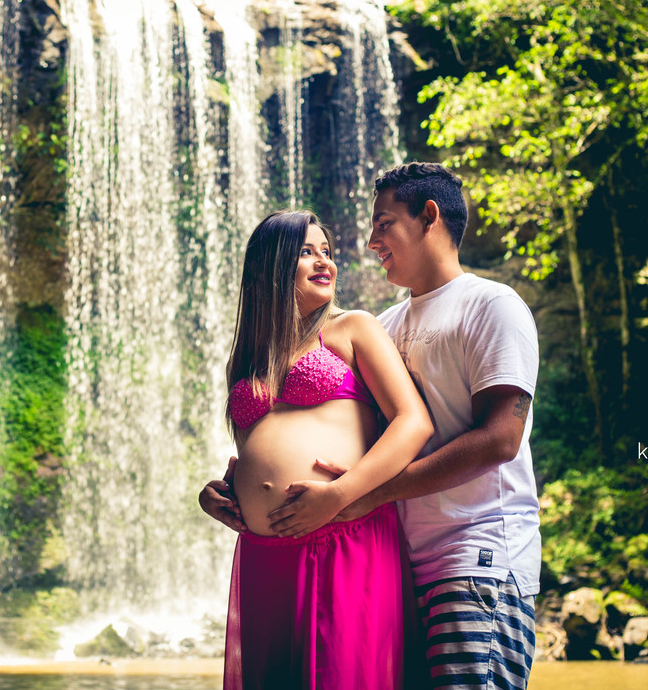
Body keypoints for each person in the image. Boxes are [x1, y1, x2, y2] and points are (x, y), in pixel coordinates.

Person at [258, 163, 542, 689]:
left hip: (475, 557)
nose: (371, 242)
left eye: (383, 224)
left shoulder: (491, 306)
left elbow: (500, 440)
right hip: (397, 563)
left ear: (428, 217)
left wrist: (360, 495)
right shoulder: (385, 326)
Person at [208, 210, 433, 690]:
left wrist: (339, 495)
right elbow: (256, 452)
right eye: (306, 252)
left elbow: (413, 423)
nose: (324, 261)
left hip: (342, 534)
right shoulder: (251, 357)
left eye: (326, 252)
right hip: (265, 555)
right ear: (270, 266)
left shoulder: (353, 328)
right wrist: (222, 492)